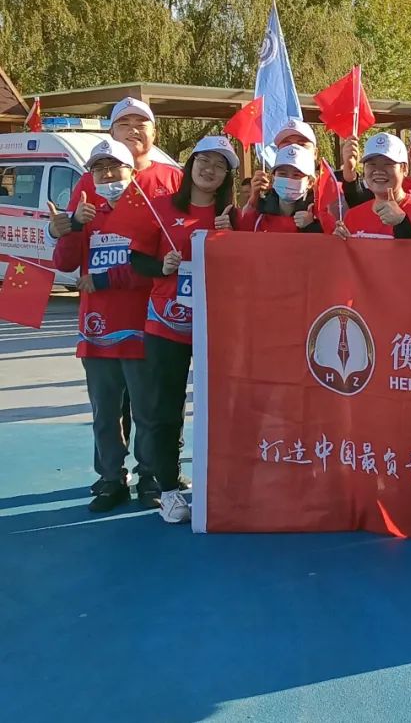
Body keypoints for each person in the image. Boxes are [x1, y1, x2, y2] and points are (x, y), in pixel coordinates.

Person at [127, 135, 239, 524]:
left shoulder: (233, 217)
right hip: (166, 325)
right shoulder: (161, 208)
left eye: (220, 165)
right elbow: (137, 259)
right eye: (204, 161)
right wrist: (162, 267)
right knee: (165, 410)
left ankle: (220, 484)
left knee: (221, 409)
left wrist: (232, 237)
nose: (210, 169)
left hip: (217, 328)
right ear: (190, 166)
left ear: (227, 177)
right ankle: (168, 489)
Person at [46, 138, 158, 511]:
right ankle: (111, 478)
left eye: (115, 168)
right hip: (96, 331)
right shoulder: (85, 214)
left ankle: (150, 475)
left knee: (146, 411)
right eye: (99, 169)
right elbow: (64, 264)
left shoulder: (148, 212)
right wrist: (71, 228)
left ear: (131, 171)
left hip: (142, 327)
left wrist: (107, 278)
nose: (108, 175)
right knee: (105, 414)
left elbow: (154, 269)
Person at [70, 97, 182, 207]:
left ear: (154, 134)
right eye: (124, 125)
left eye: (141, 125)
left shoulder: (174, 177)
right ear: (111, 133)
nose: (133, 131)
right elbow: (70, 217)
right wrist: (70, 218)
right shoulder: (91, 180)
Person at [332, 133, 411, 240]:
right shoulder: (352, 216)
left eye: (388, 164)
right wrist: (342, 244)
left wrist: (402, 223)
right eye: (371, 164)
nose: (378, 171)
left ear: (404, 168)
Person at [236, 145, 321, 233]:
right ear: (273, 179)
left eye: (296, 175)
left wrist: (311, 226)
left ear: (310, 182)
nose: (288, 179)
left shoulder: (318, 215)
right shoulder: (260, 214)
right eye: (282, 174)